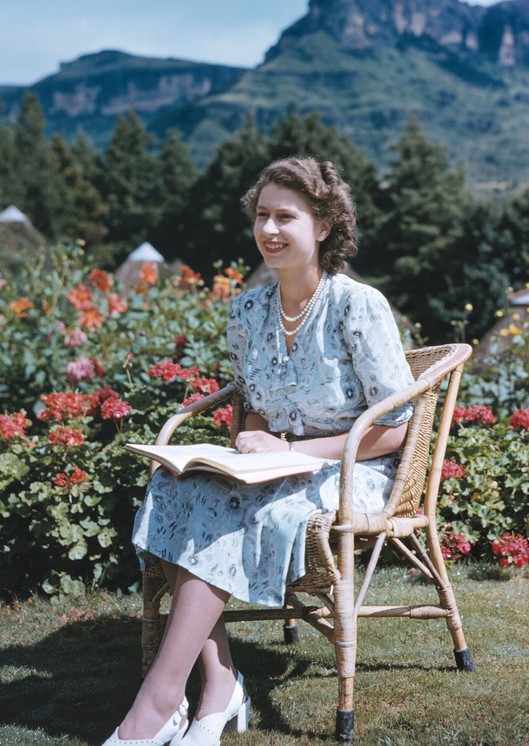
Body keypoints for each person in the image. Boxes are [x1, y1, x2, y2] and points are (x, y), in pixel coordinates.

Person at [102, 157, 414, 746]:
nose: (270, 230)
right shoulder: (247, 311)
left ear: (323, 226)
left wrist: (294, 448)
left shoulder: (357, 305)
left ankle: (160, 699)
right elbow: (257, 408)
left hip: (352, 472)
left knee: (237, 510)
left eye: (286, 217)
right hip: (274, 467)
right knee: (175, 486)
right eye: (262, 215)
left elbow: (393, 429)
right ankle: (220, 684)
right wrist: (250, 439)